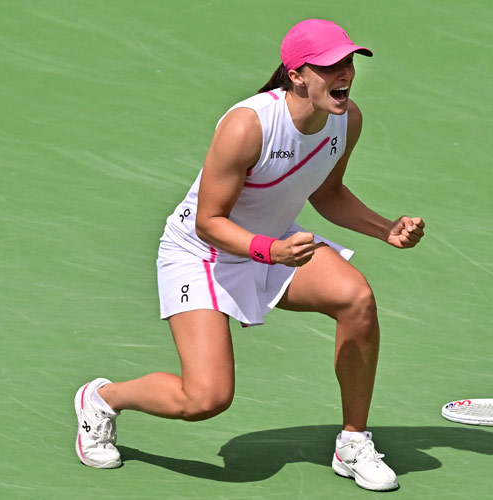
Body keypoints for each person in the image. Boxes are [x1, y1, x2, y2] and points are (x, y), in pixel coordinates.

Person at [74, 18, 424, 492]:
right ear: (297, 74)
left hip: (274, 243)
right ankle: (101, 398)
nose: (343, 73)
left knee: (356, 299)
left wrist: (386, 229)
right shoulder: (248, 124)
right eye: (329, 67)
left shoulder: (347, 120)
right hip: (201, 254)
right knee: (205, 399)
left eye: (347, 63)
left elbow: (329, 193)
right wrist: (271, 250)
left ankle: (353, 441)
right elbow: (209, 221)